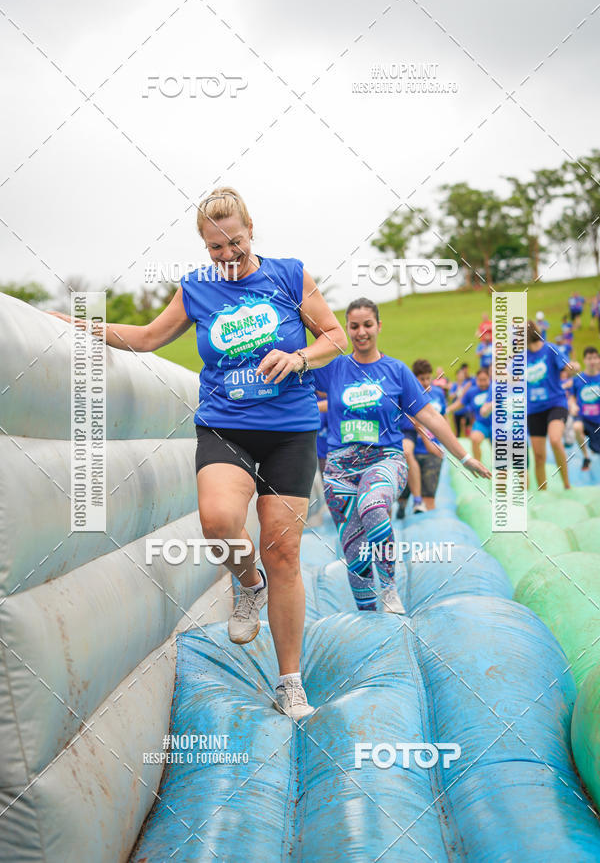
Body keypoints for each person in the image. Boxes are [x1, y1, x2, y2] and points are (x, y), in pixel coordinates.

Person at [47, 186, 348, 720]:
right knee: (217, 521)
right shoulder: (197, 289)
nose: (227, 256)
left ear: (251, 229)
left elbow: (335, 337)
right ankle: (246, 582)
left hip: (290, 429)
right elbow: (145, 338)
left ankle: (290, 683)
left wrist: (299, 356)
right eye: (215, 248)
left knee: (284, 554)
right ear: (203, 247)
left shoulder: (289, 275)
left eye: (233, 242)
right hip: (225, 425)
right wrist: (77, 325)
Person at [314, 298, 491, 615]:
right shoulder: (334, 369)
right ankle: (369, 618)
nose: (361, 332)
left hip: (386, 459)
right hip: (339, 467)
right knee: (354, 549)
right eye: (353, 326)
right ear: (347, 329)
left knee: (373, 505)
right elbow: (297, 367)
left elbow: (432, 418)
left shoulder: (396, 372)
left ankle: (389, 588)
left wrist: (464, 458)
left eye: (368, 324)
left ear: (379, 326)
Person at [397, 359, 447, 517]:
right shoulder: (406, 397)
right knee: (402, 496)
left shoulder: (438, 394)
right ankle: (403, 507)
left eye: (428, 378)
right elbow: (415, 425)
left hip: (432, 453)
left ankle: (428, 524)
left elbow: (444, 420)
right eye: (421, 379)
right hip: (413, 450)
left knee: (429, 498)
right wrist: (428, 443)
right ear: (414, 378)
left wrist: (443, 444)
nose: (425, 382)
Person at [526, 319, 571, 490]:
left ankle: (567, 485)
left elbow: (567, 367)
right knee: (538, 456)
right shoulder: (522, 357)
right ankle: (542, 492)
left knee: (554, 439)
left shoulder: (550, 349)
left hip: (555, 404)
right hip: (534, 409)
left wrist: (572, 368)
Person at [449, 369, 493, 462]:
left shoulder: (494, 389)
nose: (482, 383)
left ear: (489, 378)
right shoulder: (472, 392)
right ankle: (478, 464)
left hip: (496, 424)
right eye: (480, 380)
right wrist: (448, 409)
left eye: (485, 380)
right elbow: (460, 403)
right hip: (481, 423)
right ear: (476, 380)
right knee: (474, 439)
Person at [570, 346, 600, 470]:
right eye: (589, 358)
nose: (592, 361)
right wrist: (572, 405)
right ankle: (586, 457)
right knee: (576, 427)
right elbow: (571, 396)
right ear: (584, 360)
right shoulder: (578, 380)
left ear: (598, 359)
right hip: (584, 419)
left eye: (594, 358)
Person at [448, 366, 473, 437]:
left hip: (466, 409)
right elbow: (450, 396)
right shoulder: (454, 385)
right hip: (456, 411)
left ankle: (468, 438)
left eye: (462, 375)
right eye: (460, 375)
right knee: (457, 431)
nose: (461, 376)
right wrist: (456, 393)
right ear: (457, 376)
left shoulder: (467, 384)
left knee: (466, 425)